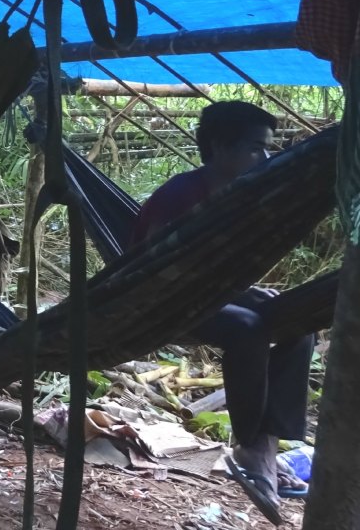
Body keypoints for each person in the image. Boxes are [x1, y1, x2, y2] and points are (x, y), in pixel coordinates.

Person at [130, 101, 313, 523]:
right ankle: (251, 450)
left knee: (300, 325)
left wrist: (244, 289)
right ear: (218, 147)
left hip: (207, 298)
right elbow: (158, 271)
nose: (265, 158)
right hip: (154, 304)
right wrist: (239, 294)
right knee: (247, 326)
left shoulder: (244, 197)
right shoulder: (182, 194)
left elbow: (222, 266)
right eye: (254, 148)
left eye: (268, 149)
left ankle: (265, 449)